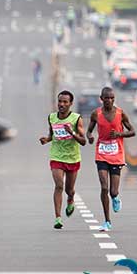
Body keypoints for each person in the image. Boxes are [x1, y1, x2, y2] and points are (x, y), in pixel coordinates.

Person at [87, 87, 136, 231]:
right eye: (106, 98)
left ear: (114, 99)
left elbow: (132, 131)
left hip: (116, 154)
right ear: (101, 99)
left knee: (113, 191)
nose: (109, 100)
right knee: (104, 187)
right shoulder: (96, 114)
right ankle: (107, 221)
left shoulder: (121, 114)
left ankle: (115, 197)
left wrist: (120, 134)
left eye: (112, 98)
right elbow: (89, 130)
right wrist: (89, 136)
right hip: (101, 153)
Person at [40, 90, 86, 229]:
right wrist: (46, 139)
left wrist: (71, 132)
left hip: (72, 158)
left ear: (70, 104)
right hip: (57, 156)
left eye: (65, 102)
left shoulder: (76, 118)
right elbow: (52, 134)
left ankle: (71, 199)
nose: (62, 104)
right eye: (60, 101)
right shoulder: (52, 117)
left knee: (69, 189)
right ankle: (58, 218)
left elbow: (83, 141)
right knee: (59, 185)